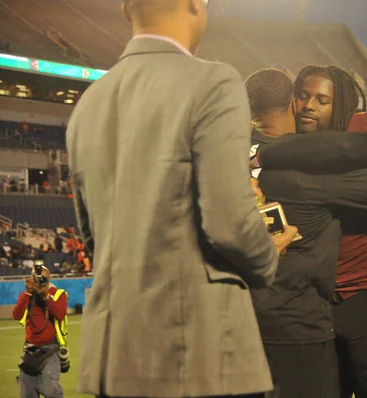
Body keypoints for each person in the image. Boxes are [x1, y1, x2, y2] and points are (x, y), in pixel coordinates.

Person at [66, 1, 297, 397]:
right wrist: (267, 254)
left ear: (126, 10)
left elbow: (93, 240)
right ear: (195, 4)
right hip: (199, 349)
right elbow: (229, 222)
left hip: (115, 355)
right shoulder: (213, 82)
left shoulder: (89, 102)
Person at [245, 68, 367, 398]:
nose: (309, 105)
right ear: (290, 104)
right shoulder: (295, 152)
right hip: (315, 305)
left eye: (322, 100)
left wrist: (263, 154)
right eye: (304, 96)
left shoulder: (364, 128)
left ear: (340, 107)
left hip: (365, 291)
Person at [13, 266, 68, 398]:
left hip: (50, 349)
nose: (40, 282)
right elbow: (17, 315)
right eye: (36, 278)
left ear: (49, 279)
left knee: (51, 392)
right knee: (27, 393)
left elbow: (60, 314)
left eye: (43, 279)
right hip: (29, 350)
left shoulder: (58, 293)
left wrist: (46, 296)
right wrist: (27, 293)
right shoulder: (28, 295)